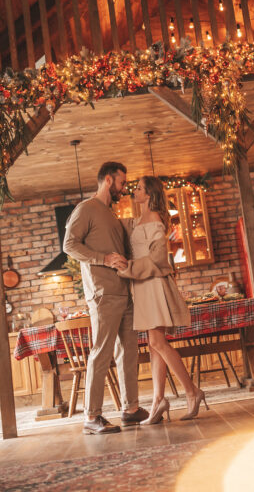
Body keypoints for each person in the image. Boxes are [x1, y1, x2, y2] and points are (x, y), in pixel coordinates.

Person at [63, 162, 149, 434]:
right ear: (109, 180)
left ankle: (130, 410)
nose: (124, 189)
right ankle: (91, 416)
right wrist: (104, 259)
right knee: (101, 353)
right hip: (102, 293)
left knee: (129, 352)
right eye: (122, 183)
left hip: (124, 291)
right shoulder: (86, 208)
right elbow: (69, 245)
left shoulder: (110, 214)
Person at [115, 176, 208, 424]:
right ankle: (158, 401)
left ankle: (192, 391)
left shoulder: (155, 220)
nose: (134, 191)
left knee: (157, 341)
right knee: (153, 345)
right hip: (141, 286)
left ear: (149, 194)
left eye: (139, 189)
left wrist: (127, 268)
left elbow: (157, 259)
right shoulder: (136, 221)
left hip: (152, 284)